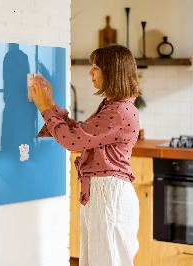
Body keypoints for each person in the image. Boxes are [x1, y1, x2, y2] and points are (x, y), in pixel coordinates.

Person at [28, 44, 142, 266]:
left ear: (112, 72)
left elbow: (72, 141)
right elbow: (79, 133)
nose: (90, 72)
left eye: (96, 67)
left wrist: (44, 108)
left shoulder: (118, 111)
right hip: (103, 193)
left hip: (109, 196)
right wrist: (50, 103)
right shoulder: (114, 106)